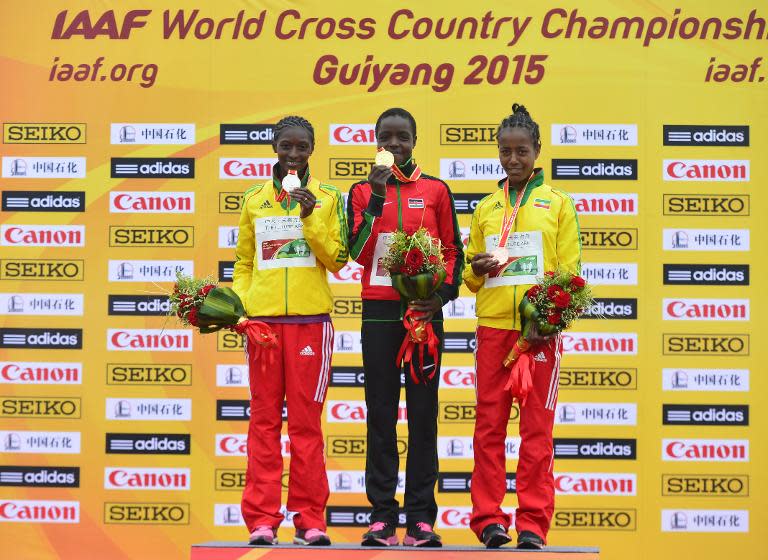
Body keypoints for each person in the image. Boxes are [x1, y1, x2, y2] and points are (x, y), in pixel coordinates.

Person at [463, 104, 581, 549]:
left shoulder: (558, 204)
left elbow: (570, 275)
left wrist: (548, 322)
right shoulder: (487, 207)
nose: (513, 160)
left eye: (522, 151)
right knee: (488, 428)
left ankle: (533, 522)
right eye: (506, 152)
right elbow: (470, 280)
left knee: (537, 431)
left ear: (537, 151)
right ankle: (489, 519)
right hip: (494, 329)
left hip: (540, 336)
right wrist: (474, 268)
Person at [347, 108, 464, 548]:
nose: (394, 145)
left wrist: (441, 296)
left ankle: (420, 517)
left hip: (423, 315)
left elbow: (453, 250)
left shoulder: (435, 190)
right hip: (378, 315)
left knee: (422, 417)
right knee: (379, 415)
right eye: (386, 138)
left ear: (415, 139)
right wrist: (376, 199)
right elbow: (356, 254)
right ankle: (381, 517)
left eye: (402, 138)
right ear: (375, 140)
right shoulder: (361, 191)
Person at [233, 115, 348, 546]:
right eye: (286, 146)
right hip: (262, 326)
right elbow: (244, 263)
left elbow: (337, 259)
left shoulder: (327, 197)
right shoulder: (253, 199)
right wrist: (243, 309)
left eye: (302, 147)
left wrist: (309, 217)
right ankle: (262, 519)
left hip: (309, 325)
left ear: (313, 149)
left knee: (306, 425)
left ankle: (310, 519)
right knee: (263, 422)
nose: (294, 155)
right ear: (274, 148)